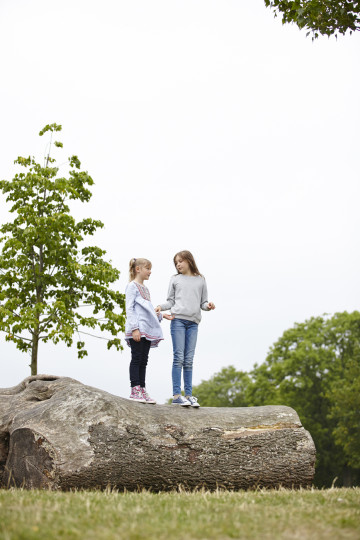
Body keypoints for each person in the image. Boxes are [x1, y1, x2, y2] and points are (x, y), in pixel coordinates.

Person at [155, 250, 215, 407]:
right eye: (176, 262)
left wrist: (208, 306)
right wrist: (161, 307)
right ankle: (177, 395)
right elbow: (170, 302)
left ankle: (189, 395)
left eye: (180, 261)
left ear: (189, 261)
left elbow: (203, 303)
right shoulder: (175, 279)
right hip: (178, 321)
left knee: (189, 360)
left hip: (193, 323)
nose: (178, 264)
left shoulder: (201, 280)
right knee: (178, 358)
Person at [125, 258, 173, 404]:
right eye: (148, 268)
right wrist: (134, 328)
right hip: (138, 329)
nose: (150, 272)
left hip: (146, 330)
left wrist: (160, 315)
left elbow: (146, 309)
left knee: (144, 360)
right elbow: (130, 308)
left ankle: (142, 388)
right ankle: (135, 389)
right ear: (138, 269)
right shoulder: (132, 286)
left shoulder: (145, 289)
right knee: (137, 358)